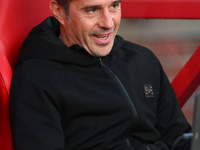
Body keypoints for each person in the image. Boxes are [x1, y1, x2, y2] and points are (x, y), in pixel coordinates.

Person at [9, 0, 191, 149]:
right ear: (59, 11)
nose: (108, 23)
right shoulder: (37, 78)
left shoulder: (142, 59)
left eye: (114, 6)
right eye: (92, 10)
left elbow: (179, 138)